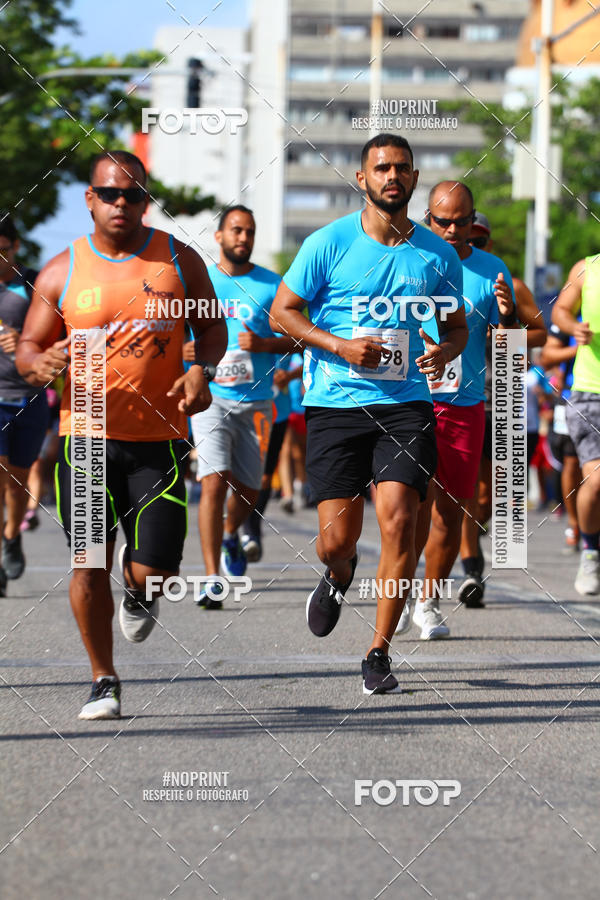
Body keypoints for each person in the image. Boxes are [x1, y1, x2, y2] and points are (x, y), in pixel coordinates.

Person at [16, 150, 227, 719]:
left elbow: (212, 331)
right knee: (88, 562)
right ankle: (102, 679)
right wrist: (38, 365)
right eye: (109, 193)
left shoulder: (179, 260)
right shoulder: (62, 271)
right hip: (83, 437)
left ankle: (140, 592)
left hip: (157, 440)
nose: (121, 204)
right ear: (90, 198)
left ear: (146, 200)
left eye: (133, 195)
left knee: (154, 567)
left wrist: (199, 370)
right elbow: (31, 349)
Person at [271, 133, 468, 694]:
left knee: (401, 520)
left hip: (405, 404)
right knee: (336, 540)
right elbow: (285, 311)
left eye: (402, 168)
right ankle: (338, 574)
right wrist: (338, 346)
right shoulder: (327, 244)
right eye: (381, 167)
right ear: (362, 179)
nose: (392, 176)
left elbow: (455, 329)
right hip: (335, 404)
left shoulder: (436, 254)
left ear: (414, 178)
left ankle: (378, 652)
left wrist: (443, 350)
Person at [400, 182, 517, 640]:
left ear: (474, 221)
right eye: (442, 221)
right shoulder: (409, 256)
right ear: (428, 217)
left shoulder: (493, 271)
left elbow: (510, 354)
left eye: (462, 221)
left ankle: (428, 601)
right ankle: (402, 587)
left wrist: (507, 320)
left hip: (465, 404)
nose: (452, 230)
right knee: (408, 505)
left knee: (451, 510)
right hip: (409, 400)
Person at [189, 206, 297, 608]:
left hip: (258, 403)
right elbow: (178, 336)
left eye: (249, 231)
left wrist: (265, 345)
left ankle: (232, 532)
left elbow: (300, 338)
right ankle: (210, 577)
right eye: (235, 230)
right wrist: (188, 353)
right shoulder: (201, 283)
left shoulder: (272, 285)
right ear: (218, 236)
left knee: (250, 489)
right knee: (213, 481)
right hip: (212, 399)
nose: (243, 237)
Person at [457, 212, 546, 607]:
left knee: (494, 493)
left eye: (479, 240)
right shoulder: (437, 275)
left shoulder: (504, 280)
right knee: (466, 489)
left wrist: (509, 330)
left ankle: (476, 540)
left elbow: (541, 331)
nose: (472, 246)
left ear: (488, 243)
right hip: (457, 394)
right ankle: (472, 568)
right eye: (466, 238)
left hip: (502, 394)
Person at [0, 212, 50, 591]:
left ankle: (11, 538)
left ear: (15, 247)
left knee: (17, 484)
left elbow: (56, 335)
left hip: (30, 397)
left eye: (2, 251)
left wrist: (24, 346)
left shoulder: (34, 284)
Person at [552, 254, 600, 595]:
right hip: (589, 393)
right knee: (595, 482)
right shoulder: (586, 268)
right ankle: (590, 550)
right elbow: (560, 312)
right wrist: (573, 327)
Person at [240, 354, 303, 561]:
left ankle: (253, 525)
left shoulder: (285, 329)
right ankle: (245, 532)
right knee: (244, 473)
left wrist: (290, 375)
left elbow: (309, 356)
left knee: (265, 478)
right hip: (246, 409)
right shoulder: (243, 325)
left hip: (279, 413)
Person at [540, 327, 581, 550]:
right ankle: (574, 525)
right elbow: (547, 356)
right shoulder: (573, 310)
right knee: (572, 463)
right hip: (572, 399)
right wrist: (578, 349)